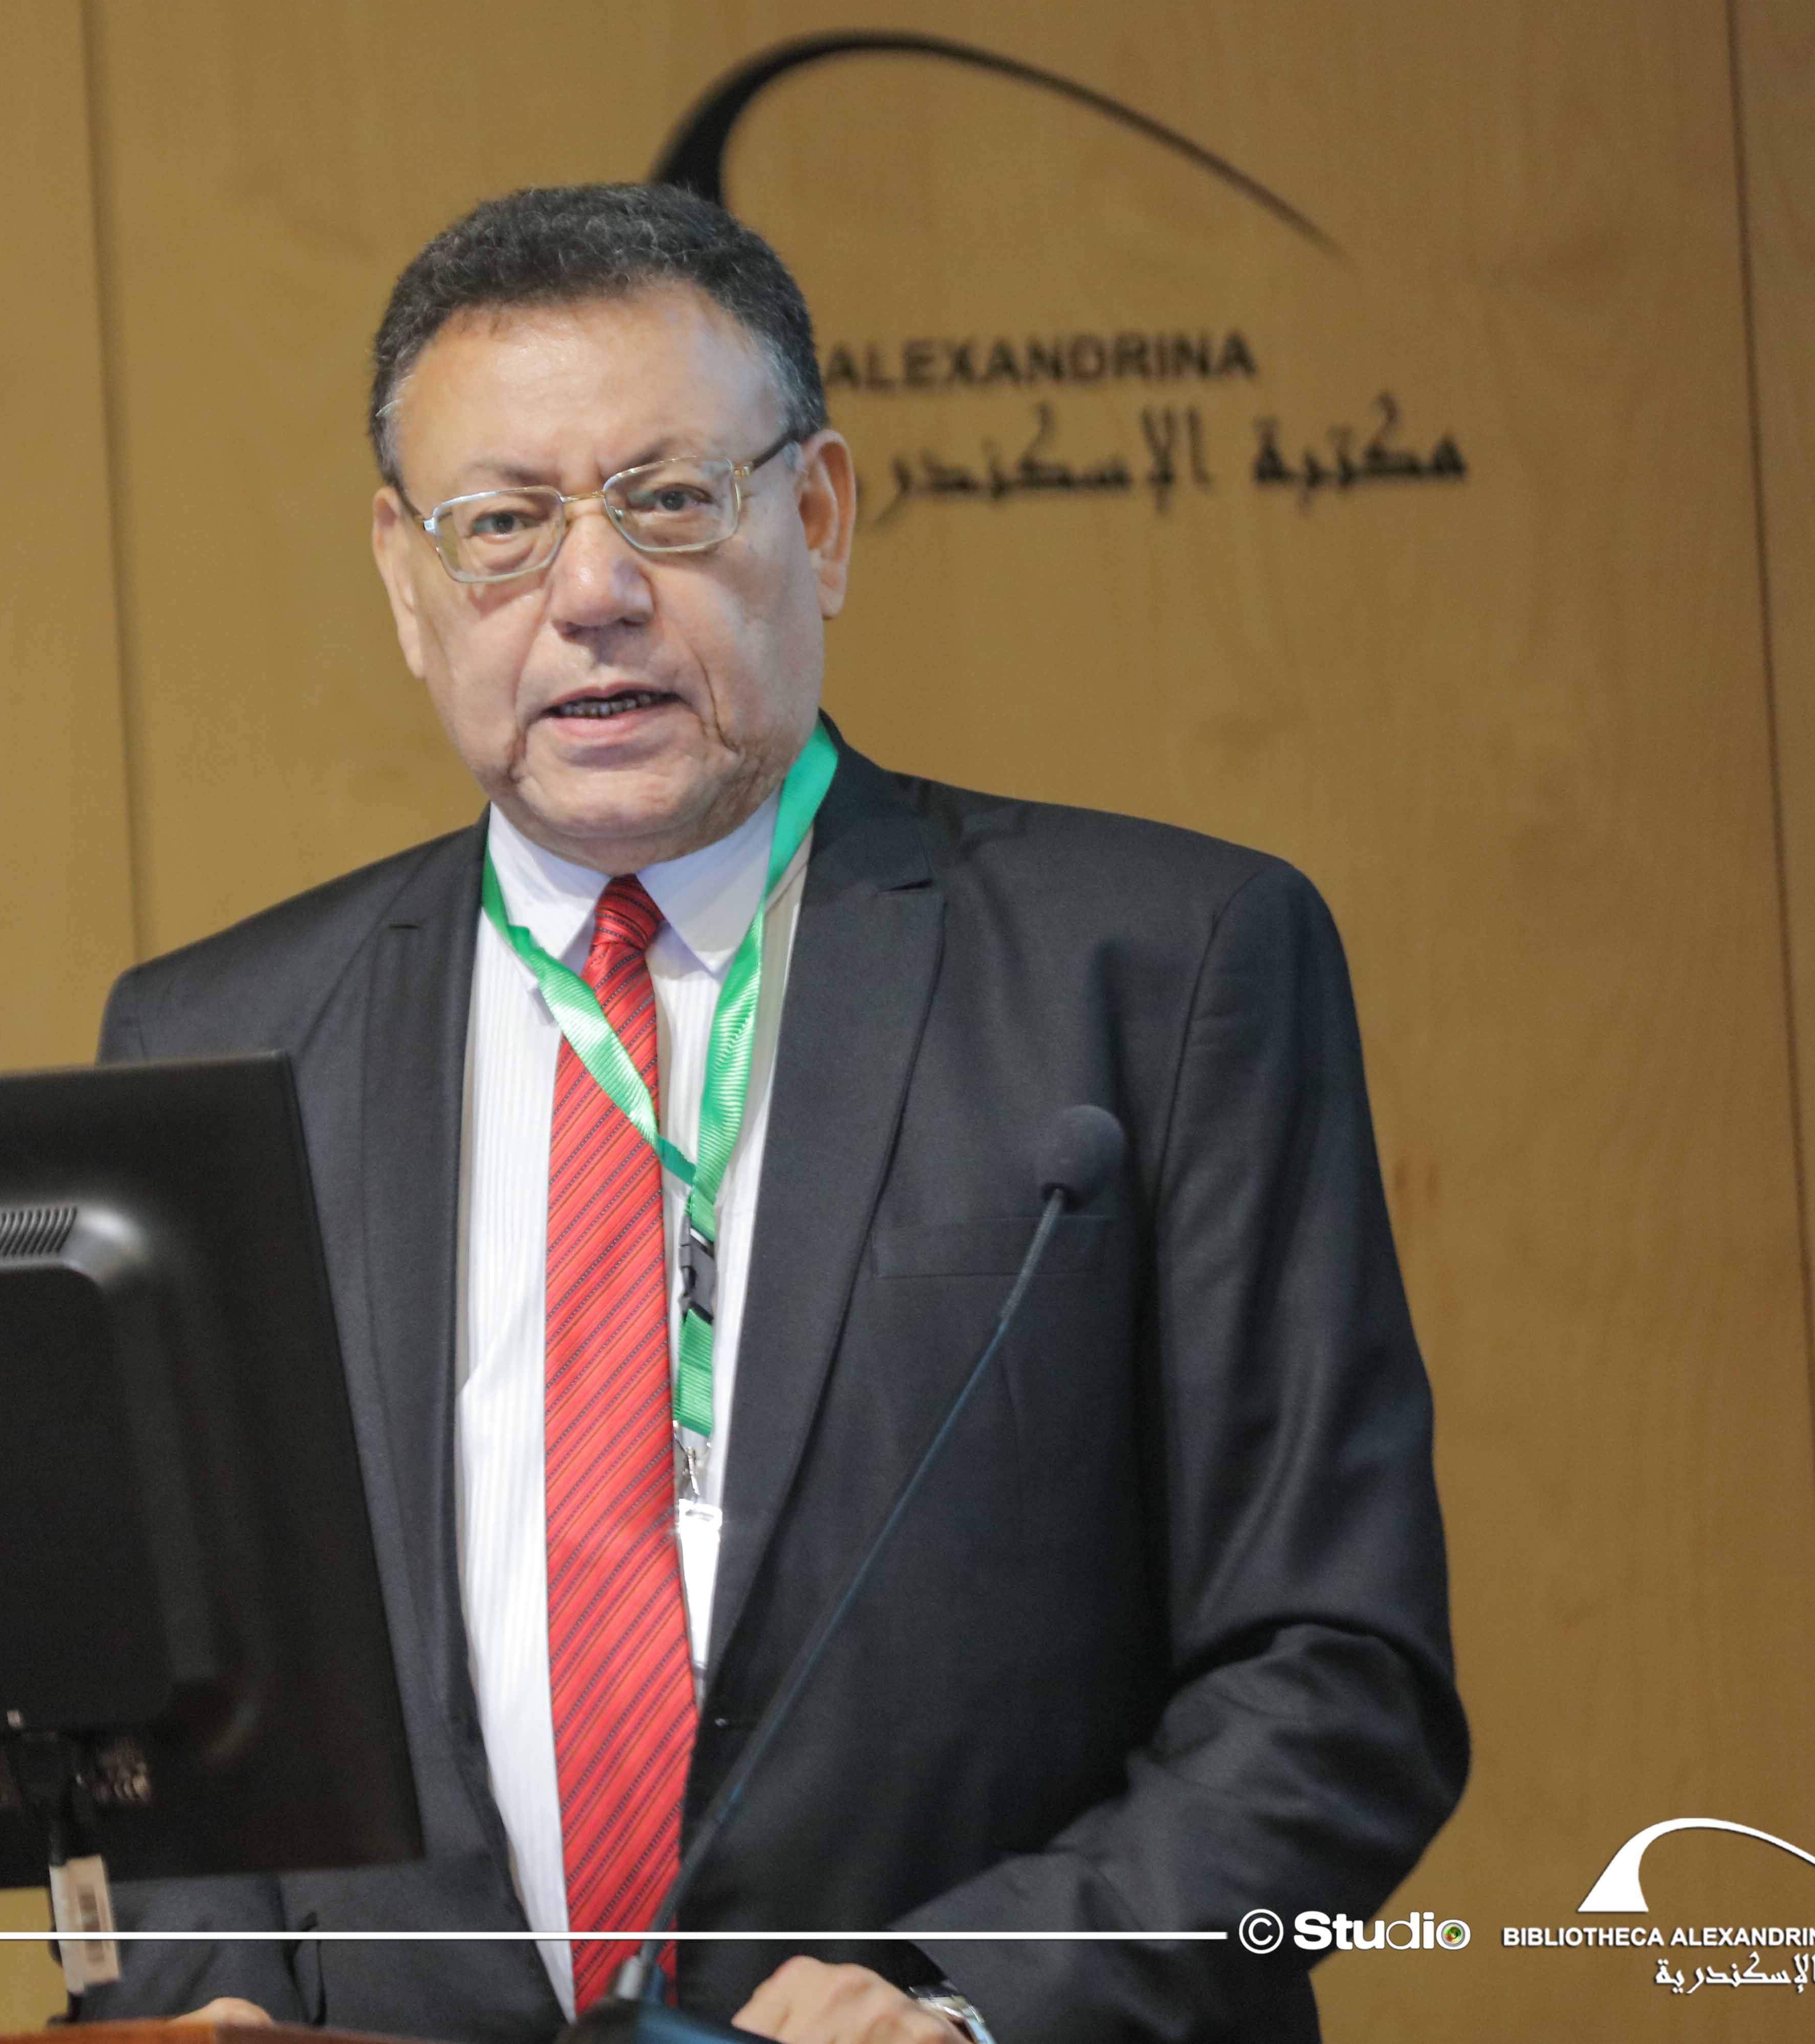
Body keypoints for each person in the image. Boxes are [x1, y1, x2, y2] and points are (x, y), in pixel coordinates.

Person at [80, 183, 1465, 2044]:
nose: (589, 595)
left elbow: (1333, 1677)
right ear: (408, 582)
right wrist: (204, 2007)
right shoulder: (217, 1045)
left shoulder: (1162, 969)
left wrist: (967, 2000)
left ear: (815, 520)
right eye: (503, 526)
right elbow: (167, 1715)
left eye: (667, 501)